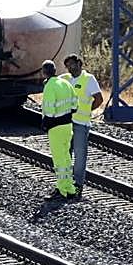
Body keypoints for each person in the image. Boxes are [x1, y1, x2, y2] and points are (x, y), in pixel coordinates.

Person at [61, 54, 103, 192]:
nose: (70, 68)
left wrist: (88, 110)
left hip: (81, 123)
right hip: (67, 123)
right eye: (67, 66)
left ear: (79, 63)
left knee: (80, 156)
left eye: (72, 65)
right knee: (65, 155)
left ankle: (78, 185)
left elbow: (99, 99)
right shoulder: (66, 79)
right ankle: (65, 183)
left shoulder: (88, 79)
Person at [40, 60, 78, 199]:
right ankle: (70, 188)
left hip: (55, 128)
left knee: (59, 160)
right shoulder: (66, 83)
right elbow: (75, 105)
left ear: (44, 73)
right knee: (66, 158)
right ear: (55, 71)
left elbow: (49, 110)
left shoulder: (50, 86)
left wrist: (45, 124)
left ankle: (62, 191)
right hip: (68, 126)